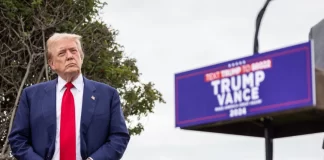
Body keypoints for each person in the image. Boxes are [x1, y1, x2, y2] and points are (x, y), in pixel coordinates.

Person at [8, 33, 130, 160]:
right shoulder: (31, 96)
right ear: (52, 64)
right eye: (62, 53)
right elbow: (18, 139)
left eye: (73, 51)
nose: (70, 56)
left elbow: (119, 136)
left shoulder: (108, 95)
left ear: (81, 57)